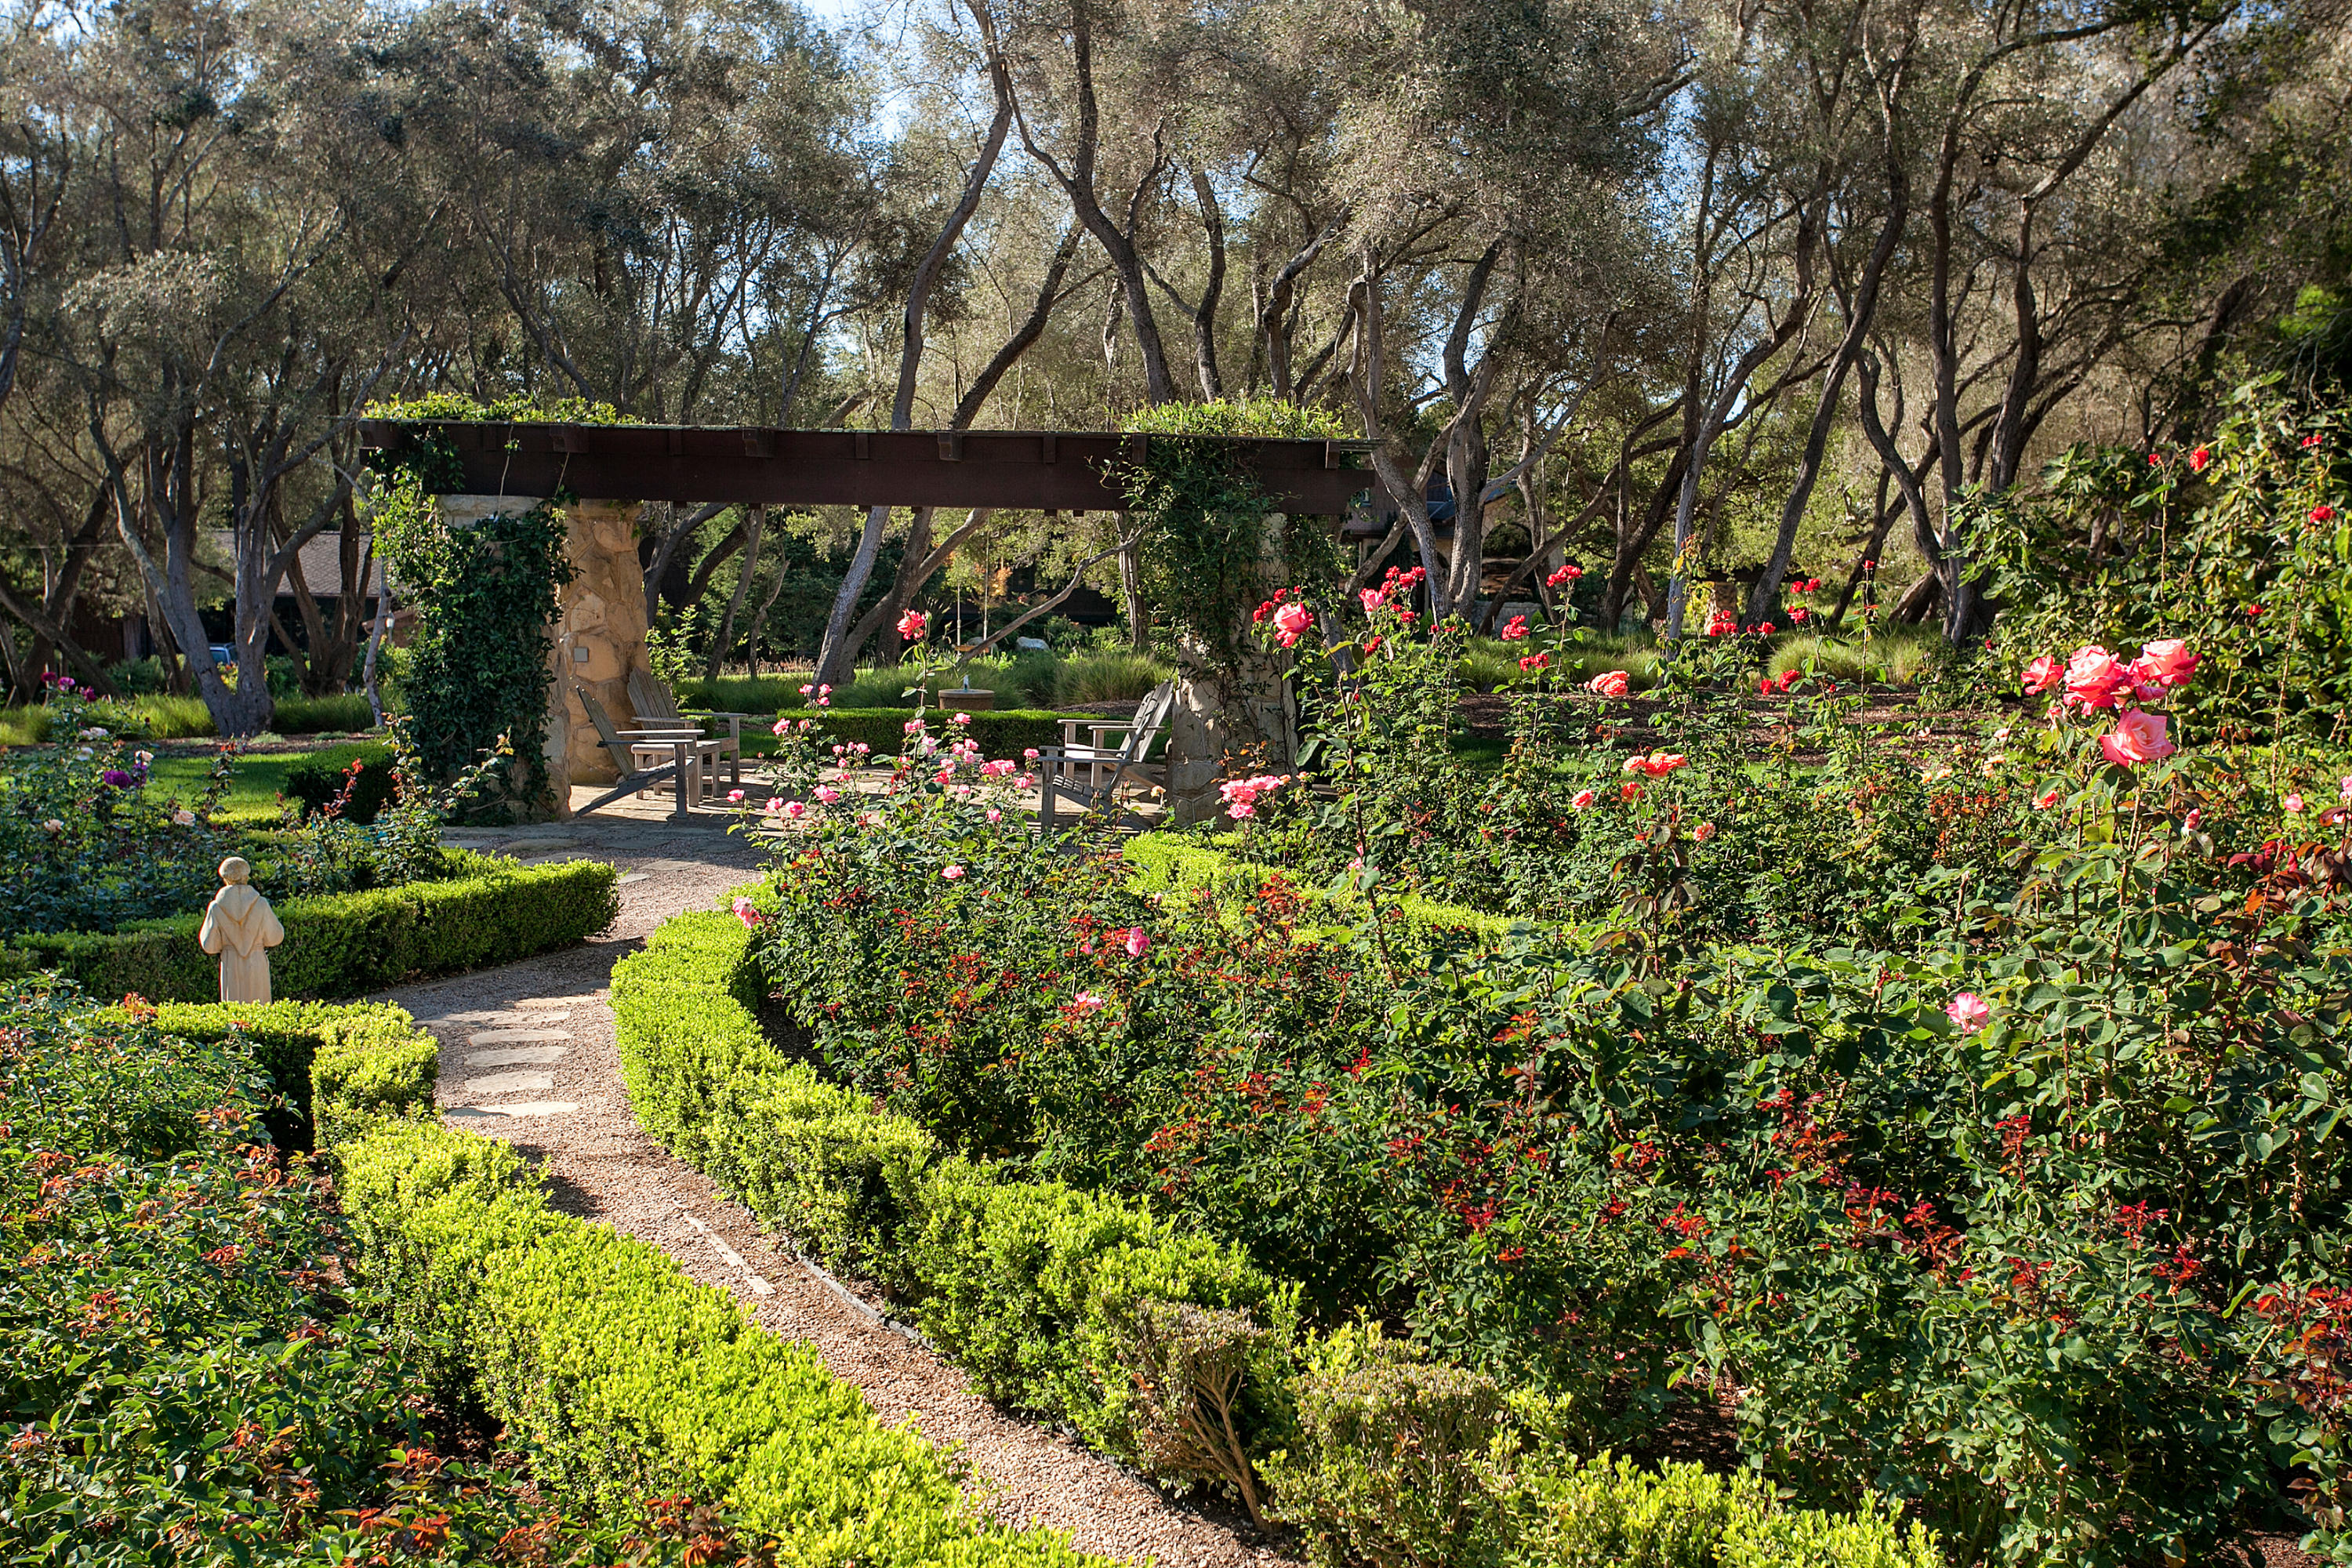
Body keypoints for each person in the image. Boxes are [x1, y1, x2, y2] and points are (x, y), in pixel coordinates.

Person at [198, 856, 285, 1004]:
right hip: (256, 961)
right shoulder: (261, 904)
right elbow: (276, 936)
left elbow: (209, 945)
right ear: (246, 877)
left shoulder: (216, 907)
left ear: (226, 879)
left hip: (231, 961)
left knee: (235, 1011)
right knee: (260, 1008)